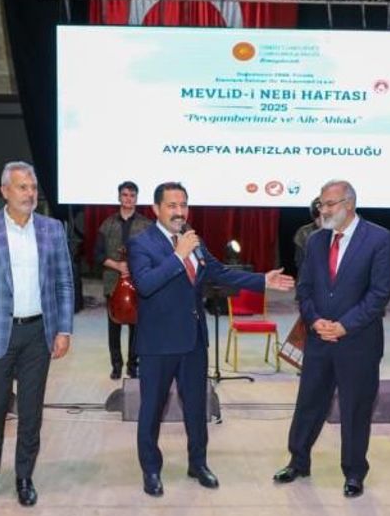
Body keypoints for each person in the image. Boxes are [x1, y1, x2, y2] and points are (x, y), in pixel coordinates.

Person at [130, 182, 294, 497]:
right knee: (152, 409)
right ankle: (151, 470)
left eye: (183, 205)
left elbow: (219, 272)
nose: (179, 212)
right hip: (159, 344)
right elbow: (146, 285)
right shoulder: (142, 243)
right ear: (156, 209)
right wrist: (178, 256)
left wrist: (262, 280)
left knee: (196, 407)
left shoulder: (193, 239)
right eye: (172, 206)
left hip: (193, 341)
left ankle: (198, 463)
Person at [0, 161, 75, 508]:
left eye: (33, 187)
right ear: (5, 191)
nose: (30, 194)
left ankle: (24, 476)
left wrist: (64, 328)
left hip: (39, 333)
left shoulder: (52, 229)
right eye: (22, 187)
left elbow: (64, 282)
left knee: (31, 411)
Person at [272, 180, 390, 497]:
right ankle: (298, 461)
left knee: (355, 408)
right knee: (309, 403)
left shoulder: (379, 239)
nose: (323, 210)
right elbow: (305, 289)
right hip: (318, 339)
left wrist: (344, 326)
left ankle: (354, 472)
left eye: (329, 204)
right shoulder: (315, 240)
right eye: (321, 204)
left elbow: (379, 293)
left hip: (358, 342)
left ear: (349, 204)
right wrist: (314, 321)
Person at [95, 181, 152, 380]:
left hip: (138, 282)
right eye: (125, 195)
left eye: (132, 195)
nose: (128, 199)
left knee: (137, 326)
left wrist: (135, 267)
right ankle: (116, 365)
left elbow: (152, 254)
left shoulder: (146, 225)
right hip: (113, 281)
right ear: (119, 197)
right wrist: (117, 265)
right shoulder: (108, 223)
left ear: (137, 198)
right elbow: (97, 254)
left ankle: (133, 366)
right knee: (114, 325)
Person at [293, 198, 323, 271]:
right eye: (317, 216)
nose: (320, 219)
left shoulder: (340, 231)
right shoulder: (304, 232)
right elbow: (300, 262)